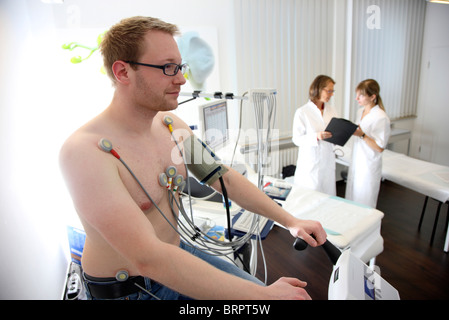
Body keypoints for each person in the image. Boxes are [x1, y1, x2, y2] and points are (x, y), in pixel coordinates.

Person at [59, 16, 326, 300]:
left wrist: (290, 220)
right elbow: (147, 258)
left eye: (180, 66)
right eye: (167, 68)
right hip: (132, 288)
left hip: (177, 253)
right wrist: (264, 296)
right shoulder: (84, 153)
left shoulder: (171, 126)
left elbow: (223, 177)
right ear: (123, 72)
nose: (182, 78)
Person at [345, 79, 390, 208]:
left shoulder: (381, 117)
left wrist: (363, 135)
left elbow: (380, 147)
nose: (356, 98)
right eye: (356, 94)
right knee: (352, 199)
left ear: (372, 97)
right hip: (357, 161)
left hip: (368, 164)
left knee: (364, 202)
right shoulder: (361, 112)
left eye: (361, 95)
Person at [292, 75, 338, 195]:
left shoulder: (332, 110)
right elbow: (297, 139)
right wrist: (316, 136)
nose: (331, 94)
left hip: (327, 160)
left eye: (332, 91)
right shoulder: (302, 112)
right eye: (329, 91)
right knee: (310, 197)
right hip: (310, 163)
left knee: (328, 198)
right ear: (318, 89)